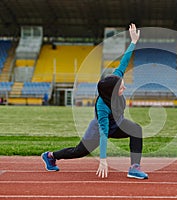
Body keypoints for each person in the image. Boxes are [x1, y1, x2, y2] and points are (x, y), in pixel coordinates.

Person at [42, 23, 148, 179]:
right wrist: (103, 160)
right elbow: (104, 134)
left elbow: (124, 62)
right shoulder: (102, 106)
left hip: (117, 123)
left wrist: (133, 42)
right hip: (99, 130)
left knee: (136, 130)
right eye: (121, 88)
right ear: (111, 92)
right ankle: (51, 156)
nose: (124, 89)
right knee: (78, 152)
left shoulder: (115, 78)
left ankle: (134, 167)